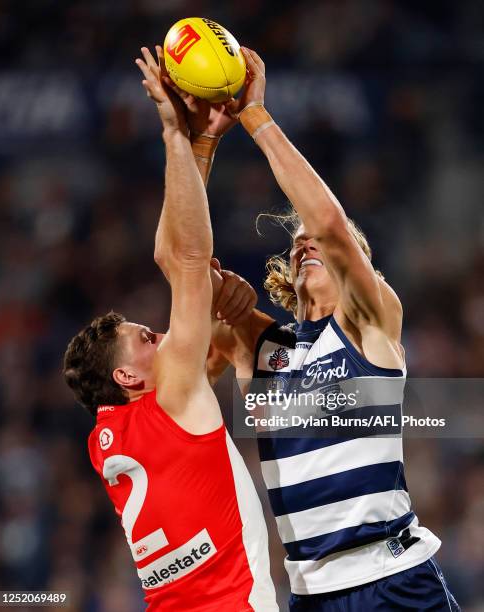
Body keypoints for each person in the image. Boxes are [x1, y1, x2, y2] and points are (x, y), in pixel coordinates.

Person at [198, 47, 461, 611]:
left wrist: (255, 118)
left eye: (320, 244)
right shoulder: (263, 347)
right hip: (311, 592)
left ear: (358, 268)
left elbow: (330, 225)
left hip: (395, 578)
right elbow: (185, 273)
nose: (306, 242)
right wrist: (199, 144)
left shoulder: (371, 323)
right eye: (297, 246)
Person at [62, 46, 278, 612]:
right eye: (148, 338)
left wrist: (199, 145)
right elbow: (181, 260)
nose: (163, 334)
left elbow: (179, 259)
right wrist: (177, 136)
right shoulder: (174, 399)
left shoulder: (107, 439)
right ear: (127, 373)